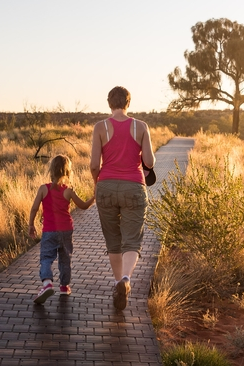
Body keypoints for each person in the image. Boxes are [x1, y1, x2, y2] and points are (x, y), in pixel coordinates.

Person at [90, 86, 155, 310]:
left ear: (109, 103)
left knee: (113, 239)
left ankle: (117, 281)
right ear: (128, 103)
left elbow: (93, 165)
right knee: (132, 239)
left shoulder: (100, 127)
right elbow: (150, 161)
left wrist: (97, 184)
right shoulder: (141, 127)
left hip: (106, 186)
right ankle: (126, 279)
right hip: (134, 187)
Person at [27, 154, 94, 304]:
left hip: (49, 230)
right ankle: (64, 286)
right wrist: (93, 197)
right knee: (65, 258)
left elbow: (34, 208)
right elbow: (83, 206)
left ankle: (47, 284)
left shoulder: (43, 189)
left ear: (51, 170)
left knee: (46, 258)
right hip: (66, 230)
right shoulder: (68, 191)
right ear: (67, 172)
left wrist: (31, 224)